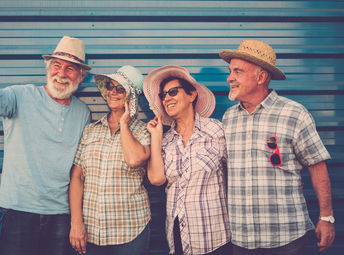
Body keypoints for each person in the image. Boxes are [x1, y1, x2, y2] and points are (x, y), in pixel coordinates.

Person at [0, 36, 92, 255]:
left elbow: (79, 170)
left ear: (81, 76)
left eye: (70, 68)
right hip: (19, 211)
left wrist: (77, 220)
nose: (61, 73)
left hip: (61, 215)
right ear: (48, 68)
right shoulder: (20, 95)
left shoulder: (83, 112)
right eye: (56, 65)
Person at [219, 40, 335, 254]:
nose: (229, 78)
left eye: (237, 72)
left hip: (286, 236)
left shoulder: (294, 113)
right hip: (241, 238)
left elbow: (317, 166)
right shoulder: (228, 118)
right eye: (230, 71)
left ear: (261, 77)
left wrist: (326, 217)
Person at [143, 65, 231, 255]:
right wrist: (156, 137)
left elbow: (235, 177)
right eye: (163, 95)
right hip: (178, 236)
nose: (167, 98)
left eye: (173, 92)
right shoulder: (165, 141)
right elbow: (156, 179)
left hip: (214, 237)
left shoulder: (217, 131)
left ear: (192, 95)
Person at [69, 65, 151, 255]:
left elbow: (134, 159)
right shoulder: (90, 130)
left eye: (120, 88)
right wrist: (76, 222)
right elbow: (77, 177)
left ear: (132, 97)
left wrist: (124, 122)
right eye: (110, 87)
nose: (112, 92)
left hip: (130, 230)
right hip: (90, 232)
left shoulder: (144, 131)